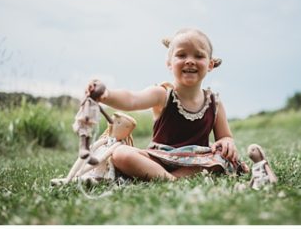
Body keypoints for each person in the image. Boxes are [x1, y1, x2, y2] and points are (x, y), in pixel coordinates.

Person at [88, 28, 249, 181]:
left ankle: (163, 177)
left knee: (221, 157)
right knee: (120, 153)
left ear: (210, 65)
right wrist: (106, 95)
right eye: (181, 55)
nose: (190, 61)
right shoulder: (163, 94)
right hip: (158, 160)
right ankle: (171, 179)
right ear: (169, 63)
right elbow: (132, 99)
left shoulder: (215, 103)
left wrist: (227, 141)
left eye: (199, 56)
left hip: (196, 161)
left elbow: (224, 137)